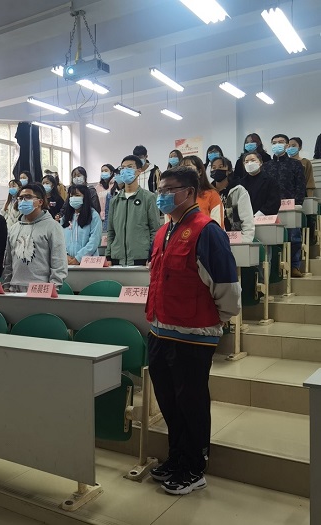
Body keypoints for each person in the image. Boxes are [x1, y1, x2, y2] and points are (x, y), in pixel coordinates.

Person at [147, 165, 241, 496]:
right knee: (169, 402)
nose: (162, 196)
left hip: (192, 334)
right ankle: (177, 457)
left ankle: (194, 467)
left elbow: (226, 285)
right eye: (160, 190)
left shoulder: (206, 230)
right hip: (160, 331)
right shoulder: (163, 231)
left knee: (191, 403)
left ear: (188, 192)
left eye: (168, 190)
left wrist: (215, 320)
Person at [2, 182, 67, 290]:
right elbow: (8, 262)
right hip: (14, 289)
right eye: (20, 198)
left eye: (28, 197)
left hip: (40, 290)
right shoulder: (14, 228)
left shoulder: (52, 227)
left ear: (40, 202)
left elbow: (59, 262)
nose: (23, 201)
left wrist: (53, 288)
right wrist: (6, 285)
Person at [106, 156, 160, 266]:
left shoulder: (149, 198)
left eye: (130, 167)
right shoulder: (114, 200)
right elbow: (111, 231)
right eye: (123, 168)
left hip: (141, 258)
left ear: (139, 171)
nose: (125, 171)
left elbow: (155, 230)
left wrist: (151, 255)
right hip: (117, 258)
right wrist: (108, 255)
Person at [267, 133, 306, 277]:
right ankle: (274, 269)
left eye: (281, 142)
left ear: (287, 145)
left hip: (290, 207)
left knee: (294, 237)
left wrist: (297, 204)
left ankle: (294, 266)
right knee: (272, 239)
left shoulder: (295, 164)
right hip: (271, 208)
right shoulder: (266, 166)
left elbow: (300, 186)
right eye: (274, 142)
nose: (277, 144)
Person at [211, 157, 255, 242]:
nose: (216, 170)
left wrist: (245, 241)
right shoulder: (207, 192)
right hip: (214, 239)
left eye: (220, 167)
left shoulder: (238, 190)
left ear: (229, 171)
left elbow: (247, 220)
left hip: (235, 239)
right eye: (214, 167)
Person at [61, 184, 102, 265]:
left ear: (85, 197)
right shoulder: (65, 218)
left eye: (77, 195)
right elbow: (60, 240)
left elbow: (94, 241)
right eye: (71, 196)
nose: (73, 198)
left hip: (88, 262)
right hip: (68, 262)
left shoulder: (93, 216)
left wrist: (79, 258)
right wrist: (65, 255)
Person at [182, 155, 224, 227]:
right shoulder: (175, 197)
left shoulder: (212, 194)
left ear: (199, 172)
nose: (184, 172)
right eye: (181, 169)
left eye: (188, 167)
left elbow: (217, 226)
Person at [288, 136, 316, 243]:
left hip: (303, 194)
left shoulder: (305, 162)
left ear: (299, 147)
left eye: (293, 146)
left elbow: (309, 180)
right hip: (289, 196)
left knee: (307, 219)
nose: (290, 148)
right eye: (289, 146)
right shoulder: (285, 163)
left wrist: (308, 197)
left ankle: (309, 240)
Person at [97, 164, 115, 230]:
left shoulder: (115, 185)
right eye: (102, 171)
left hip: (113, 217)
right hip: (101, 218)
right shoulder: (98, 187)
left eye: (106, 170)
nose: (103, 172)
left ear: (111, 172)